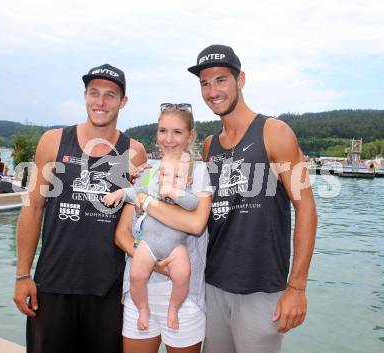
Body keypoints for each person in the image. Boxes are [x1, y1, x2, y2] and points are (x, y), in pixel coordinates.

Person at [187, 44, 318, 353]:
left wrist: (297, 287)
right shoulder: (209, 145)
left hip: (261, 288)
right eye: (204, 83)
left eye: (221, 80)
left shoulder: (275, 132)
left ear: (240, 79)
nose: (212, 90)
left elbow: (307, 208)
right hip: (213, 283)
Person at [13, 63, 147, 353]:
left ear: (123, 101)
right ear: (84, 96)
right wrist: (22, 275)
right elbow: (33, 208)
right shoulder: (54, 141)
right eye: (94, 93)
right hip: (53, 284)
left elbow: (141, 216)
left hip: (108, 290)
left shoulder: (134, 151)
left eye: (110, 95)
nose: (101, 101)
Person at [115, 104, 213, 353]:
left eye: (178, 132)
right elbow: (122, 234)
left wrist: (146, 202)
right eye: (163, 131)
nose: (168, 139)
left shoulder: (199, 172)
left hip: (183, 295)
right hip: (139, 291)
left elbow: (195, 224)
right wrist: (148, 260)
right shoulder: (147, 173)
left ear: (191, 136)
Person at [104, 151, 196, 331]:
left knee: (183, 275)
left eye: (177, 176)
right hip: (149, 244)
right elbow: (136, 192)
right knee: (136, 276)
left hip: (175, 247)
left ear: (189, 180)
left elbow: (193, 204)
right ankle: (143, 308)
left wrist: (174, 193)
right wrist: (120, 193)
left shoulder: (188, 194)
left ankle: (173, 308)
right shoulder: (153, 189)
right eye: (164, 174)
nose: (169, 180)